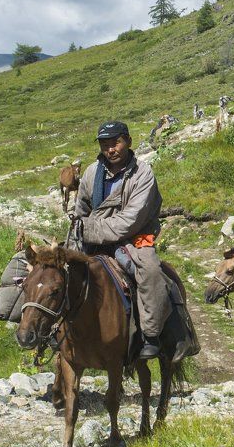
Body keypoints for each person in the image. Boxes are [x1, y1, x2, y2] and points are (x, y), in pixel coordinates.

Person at [72, 121, 171, 359]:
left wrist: (90, 230)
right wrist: (78, 230)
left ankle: (152, 334)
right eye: (105, 145)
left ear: (128, 141)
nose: (110, 149)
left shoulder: (143, 174)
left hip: (132, 238)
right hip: (93, 238)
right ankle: (56, 329)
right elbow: (81, 209)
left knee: (150, 270)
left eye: (115, 143)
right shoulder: (92, 172)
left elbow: (130, 220)